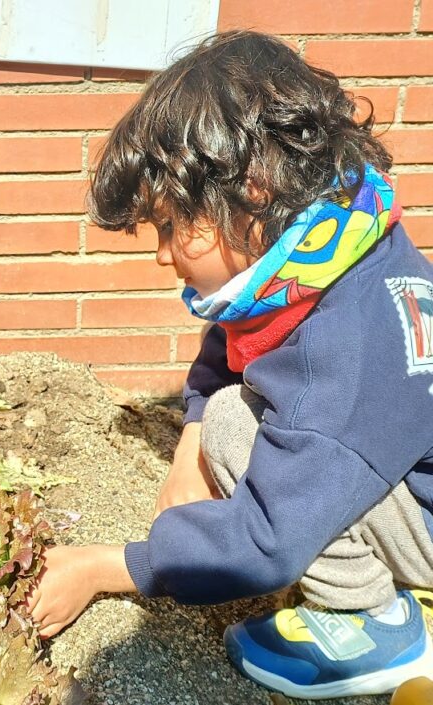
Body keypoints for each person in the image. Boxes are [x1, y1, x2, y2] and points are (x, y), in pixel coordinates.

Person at [27, 30, 433, 699]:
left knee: (233, 425)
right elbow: (237, 332)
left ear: (253, 190)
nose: (162, 254)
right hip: (402, 468)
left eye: (169, 226)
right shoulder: (338, 240)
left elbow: (268, 539)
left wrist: (109, 566)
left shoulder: (338, 362)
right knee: (216, 421)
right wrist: (188, 444)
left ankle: (375, 621)